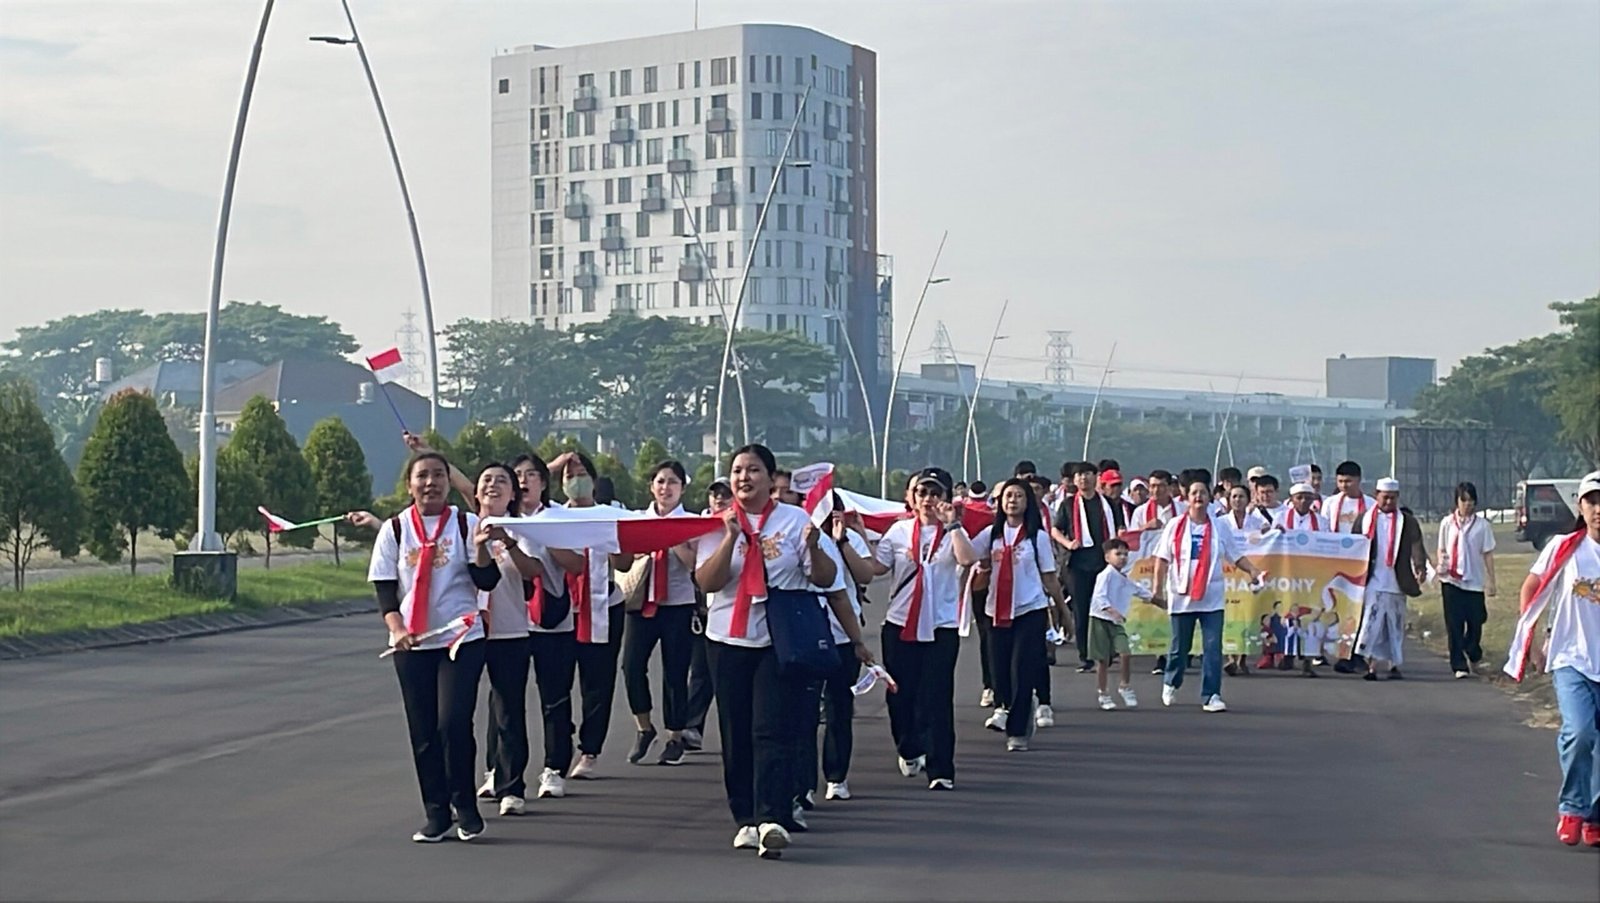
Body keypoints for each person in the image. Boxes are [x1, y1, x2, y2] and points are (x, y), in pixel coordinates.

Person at [695, 444, 869, 859]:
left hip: (778, 641)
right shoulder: (714, 525)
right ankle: (745, 818)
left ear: (769, 478)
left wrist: (811, 548)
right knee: (736, 732)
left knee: (770, 728)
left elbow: (826, 577)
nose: (743, 478)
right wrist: (731, 538)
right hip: (728, 639)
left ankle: (771, 815)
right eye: (737, 470)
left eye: (753, 470)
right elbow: (707, 582)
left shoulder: (795, 521)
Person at [366, 452, 502, 842]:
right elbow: (385, 591)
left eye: (439, 475)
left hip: (461, 637)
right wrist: (396, 628)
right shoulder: (393, 530)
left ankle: (466, 807)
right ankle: (436, 812)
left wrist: (479, 549)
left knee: (453, 723)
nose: (431, 483)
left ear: (448, 481)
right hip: (412, 643)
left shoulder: (466, 523)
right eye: (423, 476)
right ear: (409, 484)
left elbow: (487, 581)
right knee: (423, 729)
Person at [1504, 470, 1600, 847]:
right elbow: (1531, 587)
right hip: (1571, 657)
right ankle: (1573, 808)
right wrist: (1533, 638)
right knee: (1579, 732)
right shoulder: (1565, 548)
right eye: (1592, 501)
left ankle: (1594, 816)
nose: (1598, 510)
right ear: (1580, 505)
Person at [866, 467, 979, 789]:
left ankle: (941, 769)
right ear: (911, 498)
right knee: (901, 695)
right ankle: (909, 747)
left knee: (937, 697)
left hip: (941, 626)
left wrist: (953, 524)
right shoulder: (899, 532)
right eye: (922, 493)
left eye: (935, 493)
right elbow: (876, 568)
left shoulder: (953, 532)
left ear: (946, 499)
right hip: (900, 625)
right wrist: (853, 539)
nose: (928, 499)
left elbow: (968, 560)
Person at [507, 453, 586, 801]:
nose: (524, 481)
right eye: (518, 475)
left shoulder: (558, 517)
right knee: (506, 701)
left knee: (554, 698)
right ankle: (503, 772)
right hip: (509, 623)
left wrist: (548, 537)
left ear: (543, 481)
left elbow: (578, 564)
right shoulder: (499, 518)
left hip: (552, 621)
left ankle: (554, 768)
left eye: (532, 475)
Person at [1151, 479, 1268, 712]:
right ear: (1187, 498)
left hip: (1211, 596)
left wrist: (1253, 570)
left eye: (1203, 492)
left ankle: (1211, 695)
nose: (1198, 497)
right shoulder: (1175, 525)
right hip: (1182, 595)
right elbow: (1162, 560)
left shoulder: (1219, 526)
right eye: (1194, 492)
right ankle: (1171, 681)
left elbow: (1235, 555)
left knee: (1213, 647)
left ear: (1210, 498)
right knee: (1179, 648)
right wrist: (1157, 589)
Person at [471, 463, 547, 816]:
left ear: (513, 493)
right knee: (461, 713)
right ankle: (484, 774)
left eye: (502, 481)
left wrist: (507, 542)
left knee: (508, 709)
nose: (493, 485)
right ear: (476, 491)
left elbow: (534, 573)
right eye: (486, 480)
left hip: (511, 630)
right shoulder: (461, 528)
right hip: (467, 632)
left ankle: (512, 787)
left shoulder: (524, 529)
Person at [551, 450, 632, 779]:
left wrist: (618, 540)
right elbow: (523, 480)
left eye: (582, 473)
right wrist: (556, 463)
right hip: (561, 611)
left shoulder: (609, 514)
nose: (576, 480)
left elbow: (624, 563)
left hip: (604, 605)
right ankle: (560, 742)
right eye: (568, 475)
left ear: (594, 479)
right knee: (557, 684)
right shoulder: (552, 515)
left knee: (597, 683)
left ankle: (590, 749)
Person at [971, 478, 1067, 751]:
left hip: (1030, 609)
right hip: (996, 610)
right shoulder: (990, 535)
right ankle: (1004, 705)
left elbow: (1049, 577)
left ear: (1028, 503)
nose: (1013, 500)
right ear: (1000, 502)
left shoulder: (1037, 537)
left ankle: (1018, 731)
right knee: (999, 667)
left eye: (1019, 496)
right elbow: (967, 557)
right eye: (1008, 496)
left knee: (1022, 669)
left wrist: (1063, 612)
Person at [622, 461, 701, 766]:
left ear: (682, 488)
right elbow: (624, 561)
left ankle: (675, 735)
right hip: (641, 604)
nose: (665, 488)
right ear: (651, 486)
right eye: (660, 482)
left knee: (675, 672)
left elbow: (695, 565)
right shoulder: (638, 520)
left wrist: (673, 537)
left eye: (672, 482)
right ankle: (644, 727)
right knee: (631, 667)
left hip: (677, 605)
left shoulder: (690, 523)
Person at [808, 494, 878, 802]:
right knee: (805, 713)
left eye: (834, 509)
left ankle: (836, 776)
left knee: (839, 708)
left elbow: (866, 575)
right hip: (806, 635)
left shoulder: (846, 539)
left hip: (843, 636)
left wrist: (842, 541)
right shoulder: (801, 537)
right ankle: (803, 783)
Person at [1053, 462, 1127, 674]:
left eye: (1087, 474)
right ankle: (1085, 655)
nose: (1083, 478)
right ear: (1074, 480)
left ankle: (1108, 650)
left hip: (1105, 563)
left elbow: (1121, 528)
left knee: (1107, 608)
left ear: (1096, 477)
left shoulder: (1109, 504)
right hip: (1078, 564)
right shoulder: (1068, 504)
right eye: (1078, 475)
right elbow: (1055, 530)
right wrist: (1068, 543)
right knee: (1082, 609)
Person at [1355, 478, 1429, 681]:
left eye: (1393, 498)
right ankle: (1371, 666)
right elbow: (1353, 546)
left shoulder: (1407, 521)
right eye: (1385, 497)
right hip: (1373, 581)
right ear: (1376, 495)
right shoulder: (1364, 519)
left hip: (1398, 581)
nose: (1388, 502)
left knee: (1394, 626)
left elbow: (1416, 545)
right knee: (1372, 624)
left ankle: (1394, 665)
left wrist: (1420, 567)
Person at [682, 478, 737, 750]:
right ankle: (692, 726)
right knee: (700, 671)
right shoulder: (700, 527)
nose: (719, 499)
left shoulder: (741, 527)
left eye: (725, 495)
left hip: (734, 612)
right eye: (715, 494)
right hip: (703, 610)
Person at [1090, 537, 1161, 710]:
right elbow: (1099, 596)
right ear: (1107, 557)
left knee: (1125, 652)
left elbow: (1142, 592)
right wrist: (1111, 610)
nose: (1122, 557)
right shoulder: (1105, 575)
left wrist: (1164, 603)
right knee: (1102, 660)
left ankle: (1125, 686)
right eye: (1118, 554)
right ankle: (1103, 693)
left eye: (1125, 554)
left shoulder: (1125, 579)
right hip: (1100, 620)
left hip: (1116, 623)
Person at [1438, 481, 1498, 678]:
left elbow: (1487, 553)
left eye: (1471, 501)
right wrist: (1442, 563)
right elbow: (1442, 548)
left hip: (1474, 581)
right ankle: (1459, 665)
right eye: (1464, 501)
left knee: (1476, 621)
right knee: (1454, 624)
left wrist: (1491, 580)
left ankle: (1473, 651)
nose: (1468, 505)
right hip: (1451, 581)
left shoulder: (1482, 526)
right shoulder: (1447, 523)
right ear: (1457, 501)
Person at [1130, 469, 1180, 534]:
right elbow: (1133, 538)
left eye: (1161, 486)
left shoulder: (1182, 509)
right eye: (1153, 486)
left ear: (1170, 487)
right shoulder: (1140, 512)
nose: (1156, 490)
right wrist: (1146, 526)